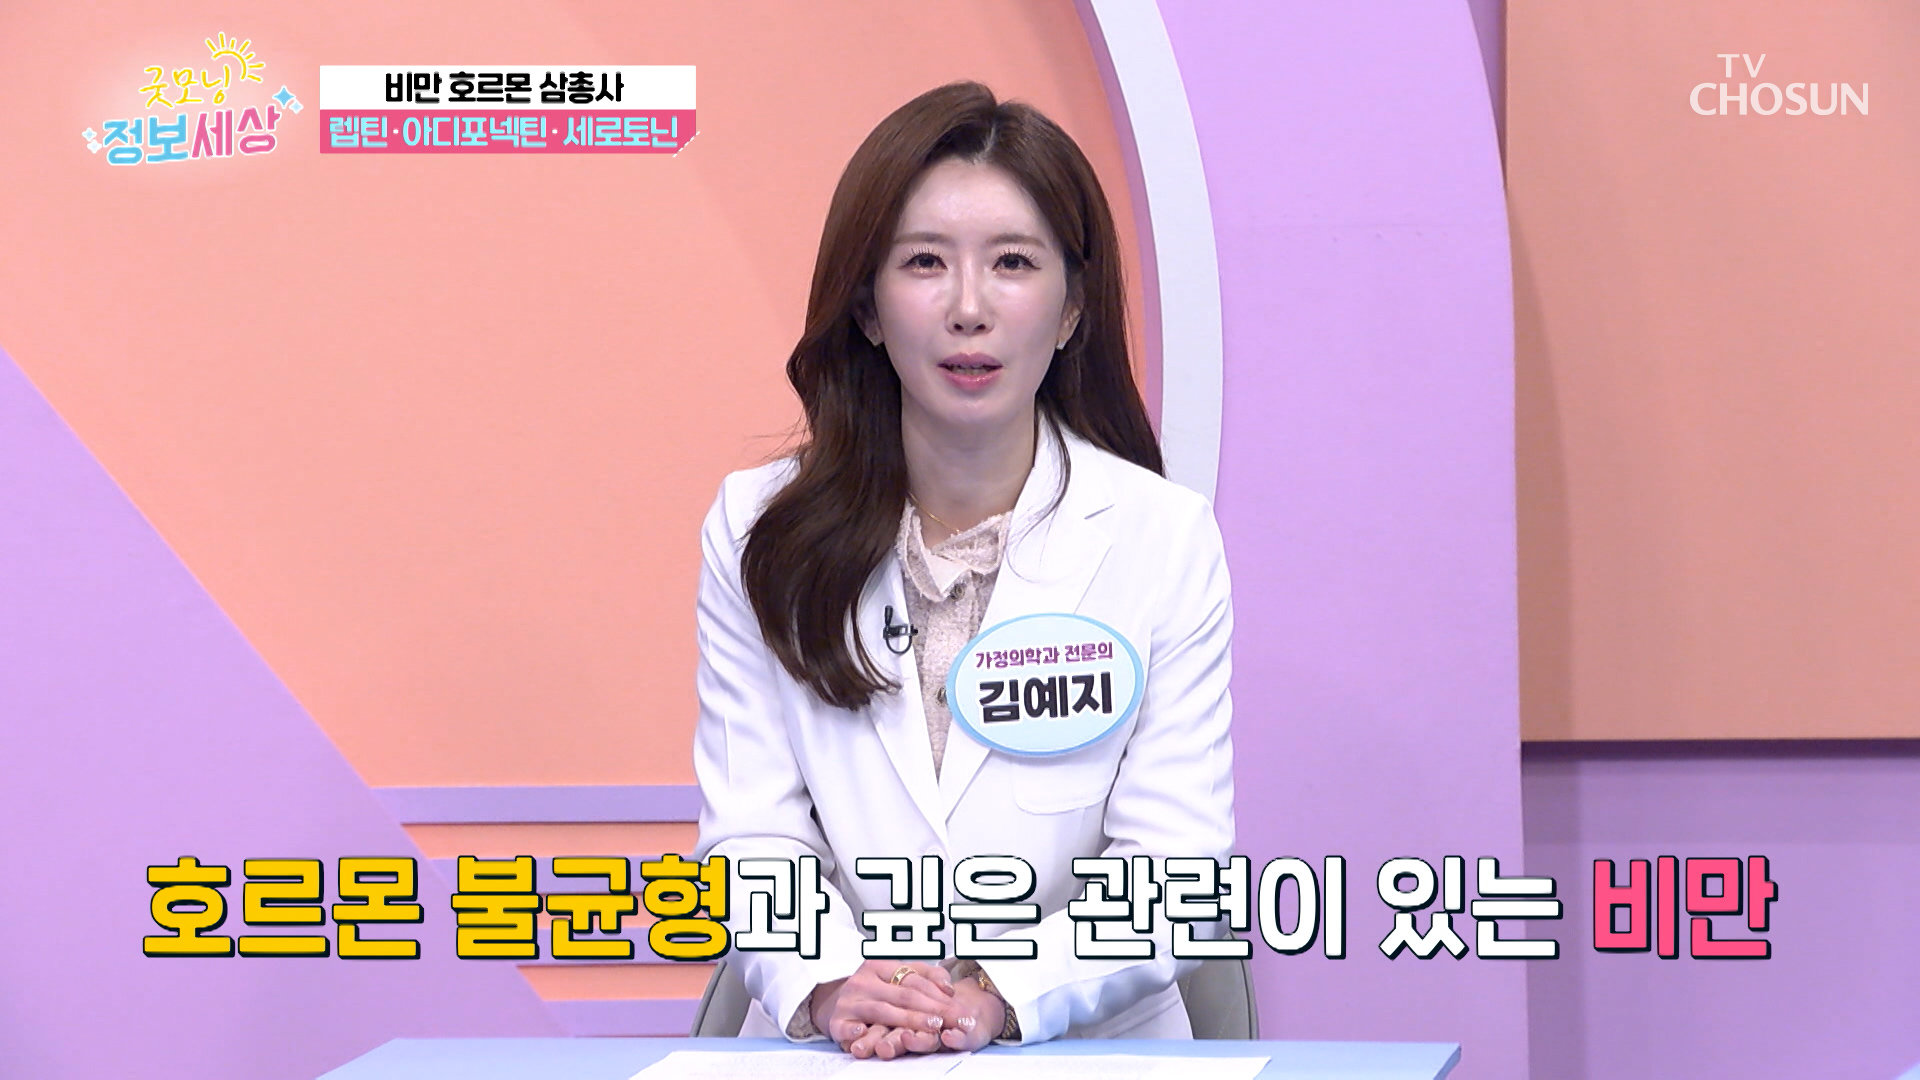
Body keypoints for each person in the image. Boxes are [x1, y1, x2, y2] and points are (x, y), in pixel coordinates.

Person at [692, 81, 1234, 1060]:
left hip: (1086, 1050)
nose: (969, 308)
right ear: (867, 306)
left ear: (1072, 308)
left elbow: (1173, 865)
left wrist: (999, 994)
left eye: (1013, 263)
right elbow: (751, 833)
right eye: (925, 263)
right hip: (845, 1054)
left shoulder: (1163, 536)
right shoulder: (757, 528)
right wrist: (834, 983)